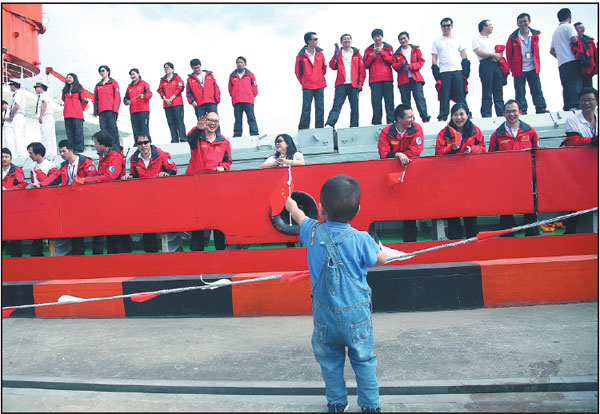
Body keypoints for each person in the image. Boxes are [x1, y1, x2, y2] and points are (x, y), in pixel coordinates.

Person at [285, 174, 386, 413]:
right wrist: (378, 250)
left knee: (330, 363)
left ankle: (337, 403)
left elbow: (300, 216)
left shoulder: (311, 231)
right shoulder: (362, 239)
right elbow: (380, 259)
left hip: (325, 318)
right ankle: (371, 406)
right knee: (364, 361)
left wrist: (290, 204)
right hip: (357, 317)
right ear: (358, 209)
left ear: (320, 208)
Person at [489, 100, 540, 237]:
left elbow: (537, 154)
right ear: (503, 114)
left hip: (526, 177)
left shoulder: (530, 131)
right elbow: (492, 157)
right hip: (505, 179)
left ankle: (532, 236)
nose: (511, 114)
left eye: (514, 111)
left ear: (520, 112)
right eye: (508, 111)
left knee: (530, 208)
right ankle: (506, 238)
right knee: (506, 209)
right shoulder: (497, 135)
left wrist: (534, 174)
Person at [435, 103, 486, 239]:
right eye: (455, 114)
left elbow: (482, 148)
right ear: (451, 116)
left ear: (467, 115)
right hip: (450, 179)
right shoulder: (444, 133)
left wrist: (472, 150)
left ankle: (473, 243)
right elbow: (438, 152)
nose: (459, 117)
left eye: (462, 114)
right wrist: (451, 148)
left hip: (470, 179)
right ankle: (455, 243)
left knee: (470, 213)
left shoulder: (475, 131)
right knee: (453, 213)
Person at [122, 134, 178, 252]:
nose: (143, 145)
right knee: (147, 228)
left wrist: (166, 174)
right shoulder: (134, 158)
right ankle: (151, 255)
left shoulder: (162, 154)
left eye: (146, 142)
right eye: (140, 143)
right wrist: (130, 176)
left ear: (150, 143)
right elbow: (135, 175)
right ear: (137, 145)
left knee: (168, 226)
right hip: (145, 199)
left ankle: (172, 254)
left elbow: (173, 169)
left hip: (162, 197)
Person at [378, 104, 424, 242]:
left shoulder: (417, 129)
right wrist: (398, 155)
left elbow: (416, 151)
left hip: (411, 175)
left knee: (410, 208)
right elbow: (383, 153)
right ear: (399, 119)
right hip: (391, 174)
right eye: (409, 117)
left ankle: (410, 241)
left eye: (412, 116)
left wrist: (402, 155)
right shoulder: (387, 132)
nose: (412, 119)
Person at [186, 113, 232, 251]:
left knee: (218, 220)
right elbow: (190, 139)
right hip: (197, 186)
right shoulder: (197, 137)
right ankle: (197, 253)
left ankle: (221, 251)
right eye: (210, 120)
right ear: (205, 121)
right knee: (198, 220)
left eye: (216, 121)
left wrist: (223, 167)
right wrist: (198, 129)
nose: (213, 123)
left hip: (215, 187)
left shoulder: (224, 142)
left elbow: (227, 161)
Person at [83, 130, 132, 254]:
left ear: (103, 144)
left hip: (116, 199)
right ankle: (114, 253)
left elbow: (110, 176)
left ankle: (122, 253)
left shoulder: (114, 157)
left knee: (119, 229)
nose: (95, 145)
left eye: (96, 143)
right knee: (112, 229)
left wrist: (88, 179)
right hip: (109, 200)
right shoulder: (105, 157)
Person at [561, 87, 598, 235]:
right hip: (579, 169)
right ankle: (569, 235)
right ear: (579, 103)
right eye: (583, 100)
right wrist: (593, 140)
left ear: (596, 101)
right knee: (575, 206)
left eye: (590, 99)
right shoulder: (572, 120)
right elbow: (573, 141)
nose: (587, 103)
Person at [57, 139, 97, 255]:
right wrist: (41, 184)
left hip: (87, 202)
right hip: (71, 203)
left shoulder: (85, 162)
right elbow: (54, 178)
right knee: (75, 229)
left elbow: (92, 177)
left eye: (64, 151)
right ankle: (77, 253)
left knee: (94, 228)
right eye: (60, 152)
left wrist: (80, 181)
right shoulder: (63, 166)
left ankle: (97, 253)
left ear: (71, 150)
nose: (62, 154)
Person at [505, 13, 548, 115]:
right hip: (519, 68)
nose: (523, 24)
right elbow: (508, 54)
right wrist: (511, 68)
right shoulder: (512, 37)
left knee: (537, 89)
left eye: (525, 21)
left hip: (533, 67)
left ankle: (541, 108)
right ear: (517, 24)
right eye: (520, 22)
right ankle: (522, 111)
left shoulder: (534, 35)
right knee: (520, 92)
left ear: (529, 22)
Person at [431, 18, 470, 121]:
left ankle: (465, 115)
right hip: (444, 71)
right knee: (444, 96)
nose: (446, 28)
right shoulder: (437, 42)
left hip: (457, 69)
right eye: (444, 26)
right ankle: (443, 117)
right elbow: (434, 57)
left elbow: (463, 53)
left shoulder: (458, 39)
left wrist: (466, 65)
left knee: (460, 95)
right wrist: (435, 69)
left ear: (452, 26)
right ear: (441, 27)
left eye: (448, 25)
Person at [27, 142, 61, 256]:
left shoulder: (50, 166)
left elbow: (48, 182)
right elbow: (34, 181)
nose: (30, 155)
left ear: (38, 153)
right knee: (37, 228)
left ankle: (54, 253)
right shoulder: (32, 165)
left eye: (31, 153)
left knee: (50, 229)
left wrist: (38, 171)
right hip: (37, 201)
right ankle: (36, 253)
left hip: (49, 201)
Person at [325, 34, 365, 128]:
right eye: (344, 39)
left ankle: (354, 126)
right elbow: (332, 66)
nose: (346, 40)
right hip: (341, 83)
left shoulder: (357, 54)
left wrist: (360, 83)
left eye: (348, 39)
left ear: (351, 41)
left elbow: (362, 70)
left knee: (354, 107)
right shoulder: (339, 53)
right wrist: (336, 53)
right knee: (337, 105)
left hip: (354, 84)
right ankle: (330, 124)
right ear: (341, 42)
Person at [392, 31, 430, 123]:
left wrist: (410, 66)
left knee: (419, 98)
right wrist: (402, 65)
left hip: (416, 78)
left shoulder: (416, 49)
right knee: (405, 102)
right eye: (401, 39)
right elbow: (394, 65)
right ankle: (409, 121)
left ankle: (425, 118)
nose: (403, 40)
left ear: (408, 39)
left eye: (404, 38)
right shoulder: (397, 53)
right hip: (403, 80)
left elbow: (421, 62)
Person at [550, 8, 582, 111]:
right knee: (575, 83)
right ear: (570, 17)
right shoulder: (569, 27)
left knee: (566, 86)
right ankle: (576, 105)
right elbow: (574, 39)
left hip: (561, 63)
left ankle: (567, 106)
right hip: (571, 59)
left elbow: (551, 50)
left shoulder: (555, 32)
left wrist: (560, 55)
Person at [472, 20, 505, 117]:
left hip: (496, 64)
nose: (492, 27)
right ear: (484, 27)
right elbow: (478, 52)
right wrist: (492, 55)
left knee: (498, 90)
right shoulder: (477, 39)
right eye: (490, 25)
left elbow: (500, 50)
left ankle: (501, 113)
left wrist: (498, 56)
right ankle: (486, 114)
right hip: (485, 64)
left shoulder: (492, 39)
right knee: (487, 91)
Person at [295, 31, 327, 130]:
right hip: (307, 86)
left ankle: (319, 128)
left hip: (319, 84)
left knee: (320, 108)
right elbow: (298, 72)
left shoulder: (320, 53)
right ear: (309, 41)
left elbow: (324, 68)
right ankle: (303, 129)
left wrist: (319, 77)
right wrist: (305, 81)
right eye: (315, 39)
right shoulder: (300, 55)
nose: (317, 41)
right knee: (306, 108)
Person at [363, 29, 395, 125]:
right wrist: (374, 55)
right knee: (376, 103)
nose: (377, 38)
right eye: (375, 36)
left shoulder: (388, 47)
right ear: (372, 38)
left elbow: (392, 60)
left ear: (382, 37)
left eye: (379, 36)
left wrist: (382, 52)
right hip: (375, 80)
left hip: (387, 79)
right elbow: (365, 64)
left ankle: (391, 122)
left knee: (389, 101)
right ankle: (376, 123)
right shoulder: (368, 50)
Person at [2, 147, 28, 257]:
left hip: (13, 209)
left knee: (15, 238)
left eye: (6, 157)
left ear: (11, 158)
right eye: (2, 157)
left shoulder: (16, 170)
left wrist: (8, 190)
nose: (3, 159)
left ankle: (17, 262)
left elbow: (21, 185)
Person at [229, 56, 259, 137]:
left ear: (245, 64)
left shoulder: (250, 75)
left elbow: (255, 88)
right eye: (238, 63)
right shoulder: (232, 76)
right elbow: (230, 89)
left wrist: (250, 96)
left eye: (241, 62)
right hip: (237, 101)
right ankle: (237, 135)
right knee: (238, 120)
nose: (239, 64)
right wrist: (235, 96)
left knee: (251, 118)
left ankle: (254, 134)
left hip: (248, 101)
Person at [158, 62, 187, 143]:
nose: (166, 69)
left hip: (177, 104)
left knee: (179, 121)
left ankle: (183, 138)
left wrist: (171, 98)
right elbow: (160, 90)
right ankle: (174, 139)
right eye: (165, 68)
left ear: (172, 69)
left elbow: (180, 88)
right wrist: (165, 99)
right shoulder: (162, 80)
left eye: (168, 67)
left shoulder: (177, 78)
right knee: (171, 122)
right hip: (167, 105)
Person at [94, 65, 121, 146]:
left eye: (103, 70)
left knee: (113, 129)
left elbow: (117, 97)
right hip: (101, 111)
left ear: (108, 71)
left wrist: (115, 110)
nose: (102, 73)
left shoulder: (114, 83)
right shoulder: (98, 85)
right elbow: (95, 99)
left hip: (110, 110)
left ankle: (116, 146)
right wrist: (95, 110)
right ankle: (106, 147)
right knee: (104, 130)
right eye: (100, 71)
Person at [61, 73, 87, 152]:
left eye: (70, 77)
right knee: (69, 132)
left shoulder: (79, 89)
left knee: (78, 132)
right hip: (67, 114)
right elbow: (63, 99)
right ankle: (71, 149)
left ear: (74, 78)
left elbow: (84, 101)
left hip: (77, 115)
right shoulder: (65, 91)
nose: (68, 79)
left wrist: (78, 108)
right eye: (67, 78)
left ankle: (79, 149)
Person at [124, 68, 152, 139]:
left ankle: (146, 142)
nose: (132, 76)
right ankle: (137, 143)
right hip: (133, 111)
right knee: (135, 129)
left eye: (134, 74)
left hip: (143, 110)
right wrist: (127, 101)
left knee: (144, 127)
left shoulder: (144, 83)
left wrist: (144, 95)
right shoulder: (129, 87)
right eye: (131, 75)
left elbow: (150, 94)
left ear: (138, 74)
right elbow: (125, 99)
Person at [5, 80, 28, 159]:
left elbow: (16, 106)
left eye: (11, 85)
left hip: (17, 116)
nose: (10, 87)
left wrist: (11, 115)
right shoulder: (21, 93)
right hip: (20, 116)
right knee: (20, 136)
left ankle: (21, 155)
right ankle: (22, 154)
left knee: (18, 137)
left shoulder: (17, 94)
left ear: (13, 86)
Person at [34, 81, 57, 157]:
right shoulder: (44, 95)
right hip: (47, 117)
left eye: (36, 87)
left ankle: (48, 153)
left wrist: (41, 116)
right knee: (48, 135)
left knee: (46, 135)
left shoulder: (43, 95)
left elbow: (44, 105)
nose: (35, 89)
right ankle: (51, 152)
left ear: (41, 88)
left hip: (46, 116)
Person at [574, 22, 598, 88]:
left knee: (589, 89)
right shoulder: (574, 41)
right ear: (575, 30)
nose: (582, 29)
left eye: (583, 27)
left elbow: (595, 54)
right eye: (579, 28)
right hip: (578, 70)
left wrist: (595, 67)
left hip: (589, 70)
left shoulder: (590, 41)